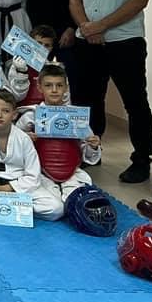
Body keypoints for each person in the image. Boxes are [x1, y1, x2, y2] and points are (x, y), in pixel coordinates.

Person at [69, 0, 152, 183]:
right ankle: (91, 152)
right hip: (87, 42)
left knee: (135, 102)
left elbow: (138, 1)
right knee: (88, 100)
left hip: (125, 42)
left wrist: (101, 26)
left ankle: (141, 160)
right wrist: (86, 26)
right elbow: (75, 0)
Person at [0, 90, 64, 221]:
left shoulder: (23, 139)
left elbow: (33, 176)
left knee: (56, 209)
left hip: (19, 187)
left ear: (14, 115)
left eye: (5, 111)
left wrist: (3, 189)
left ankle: (5, 207)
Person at [16, 64, 101, 201]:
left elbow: (87, 151)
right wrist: (25, 138)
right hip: (40, 171)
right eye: (48, 85)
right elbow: (13, 141)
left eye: (59, 85)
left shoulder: (76, 117)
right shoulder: (32, 115)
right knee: (53, 206)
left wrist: (93, 146)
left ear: (66, 88)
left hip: (71, 170)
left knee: (76, 201)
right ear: (39, 87)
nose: (54, 90)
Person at [6, 25, 57, 108]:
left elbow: (64, 98)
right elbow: (16, 97)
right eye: (38, 43)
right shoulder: (16, 65)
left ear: (51, 48)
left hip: (47, 111)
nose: (42, 48)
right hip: (23, 111)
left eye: (47, 45)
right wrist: (21, 72)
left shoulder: (55, 69)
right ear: (30, 43)